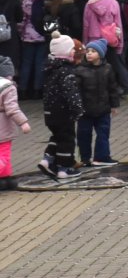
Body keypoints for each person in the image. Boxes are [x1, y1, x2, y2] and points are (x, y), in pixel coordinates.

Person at [39, 35, 82, 179]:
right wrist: (77, 108)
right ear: (68, 53)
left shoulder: (49, 68)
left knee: (57, 136)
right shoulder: (66, 71)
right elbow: (70, 91)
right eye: (71, 50)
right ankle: (65, 168)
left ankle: (47, 159)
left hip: (49, 111)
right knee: (67, 139)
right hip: (63, 112)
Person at [76, 39, 120, 166]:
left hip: (103, 109)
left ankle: (102, 157)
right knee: (83, 135)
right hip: (85, 110)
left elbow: (112, 88)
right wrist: (76, 107)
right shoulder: (80, 70)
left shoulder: (107, 68)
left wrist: (114, 105)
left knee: (103, 134)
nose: (89, 53)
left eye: (93, 51)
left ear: (100, 54)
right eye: (88, 51)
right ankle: (85, 158)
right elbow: (77, 91)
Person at [82, 0, 127, 98]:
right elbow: (118, 23)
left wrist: (85, 42)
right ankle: (117, 91)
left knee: (94, 66)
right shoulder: (113, 3)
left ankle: (96, 92)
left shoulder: (89, 4)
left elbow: (86, 25)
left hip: (93, 38)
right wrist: (120, 43)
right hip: (109, 38)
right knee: (111, 65)